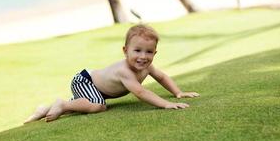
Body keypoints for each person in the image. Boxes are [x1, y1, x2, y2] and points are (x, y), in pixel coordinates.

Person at [24, 24, 199, 123]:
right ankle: (62, 104)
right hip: (85, 81)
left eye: (148, 52)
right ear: (125, 51)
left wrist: (177, 92)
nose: (143, 57)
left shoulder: (147, 67)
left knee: (90, 101)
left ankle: (43, 109)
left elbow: (162, 77)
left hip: (97, 88)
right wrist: (165, 104)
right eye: (137, 50)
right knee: (98, 106)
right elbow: (140, 92)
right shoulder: (125, 71)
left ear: (155, 53)